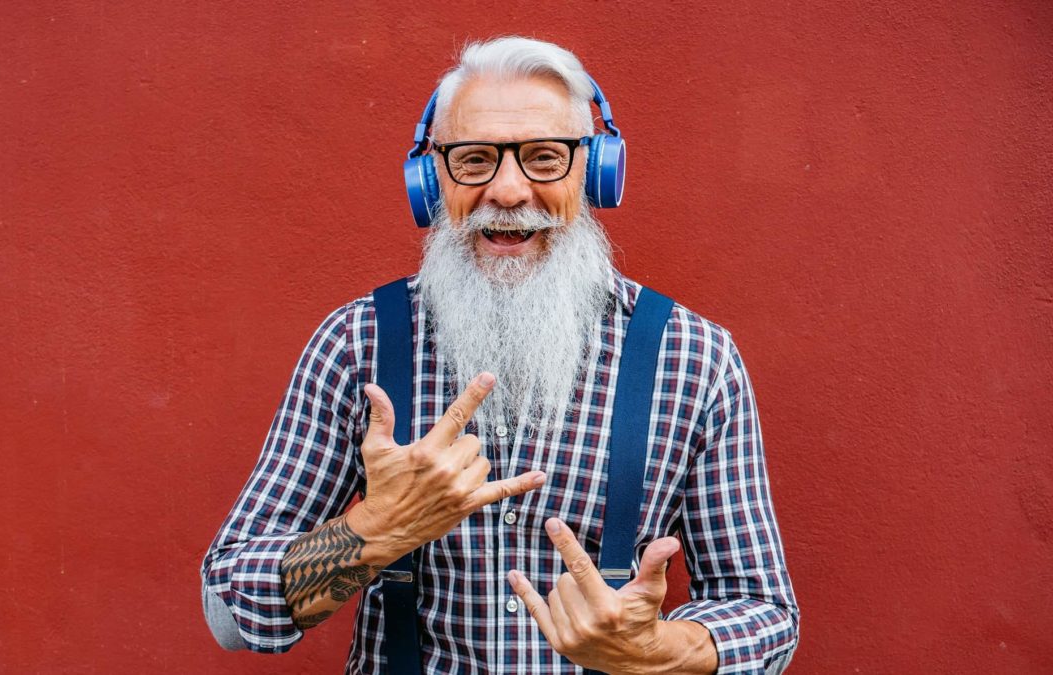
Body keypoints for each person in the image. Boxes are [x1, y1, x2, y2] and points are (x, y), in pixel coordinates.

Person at [202, 36, 799, 674]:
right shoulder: (357, 342)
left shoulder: (694, 357)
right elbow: (231, 610)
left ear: (595, 172)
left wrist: (658, 650)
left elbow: (764, 612)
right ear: (432, 180)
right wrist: (377, 530)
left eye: (545, 157)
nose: (509, 191)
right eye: (474, 159)